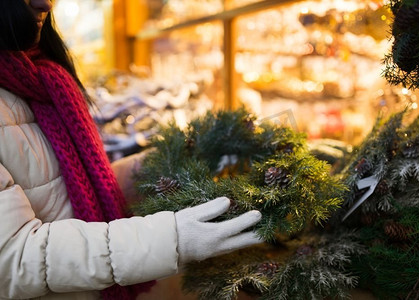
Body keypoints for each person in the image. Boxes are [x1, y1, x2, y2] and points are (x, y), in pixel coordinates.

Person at [0, 0, 262, 299]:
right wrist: (171, 238)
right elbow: (12, 260)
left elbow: (66, 192)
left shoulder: (41, 77)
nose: (45, 3)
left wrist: (163, 162)